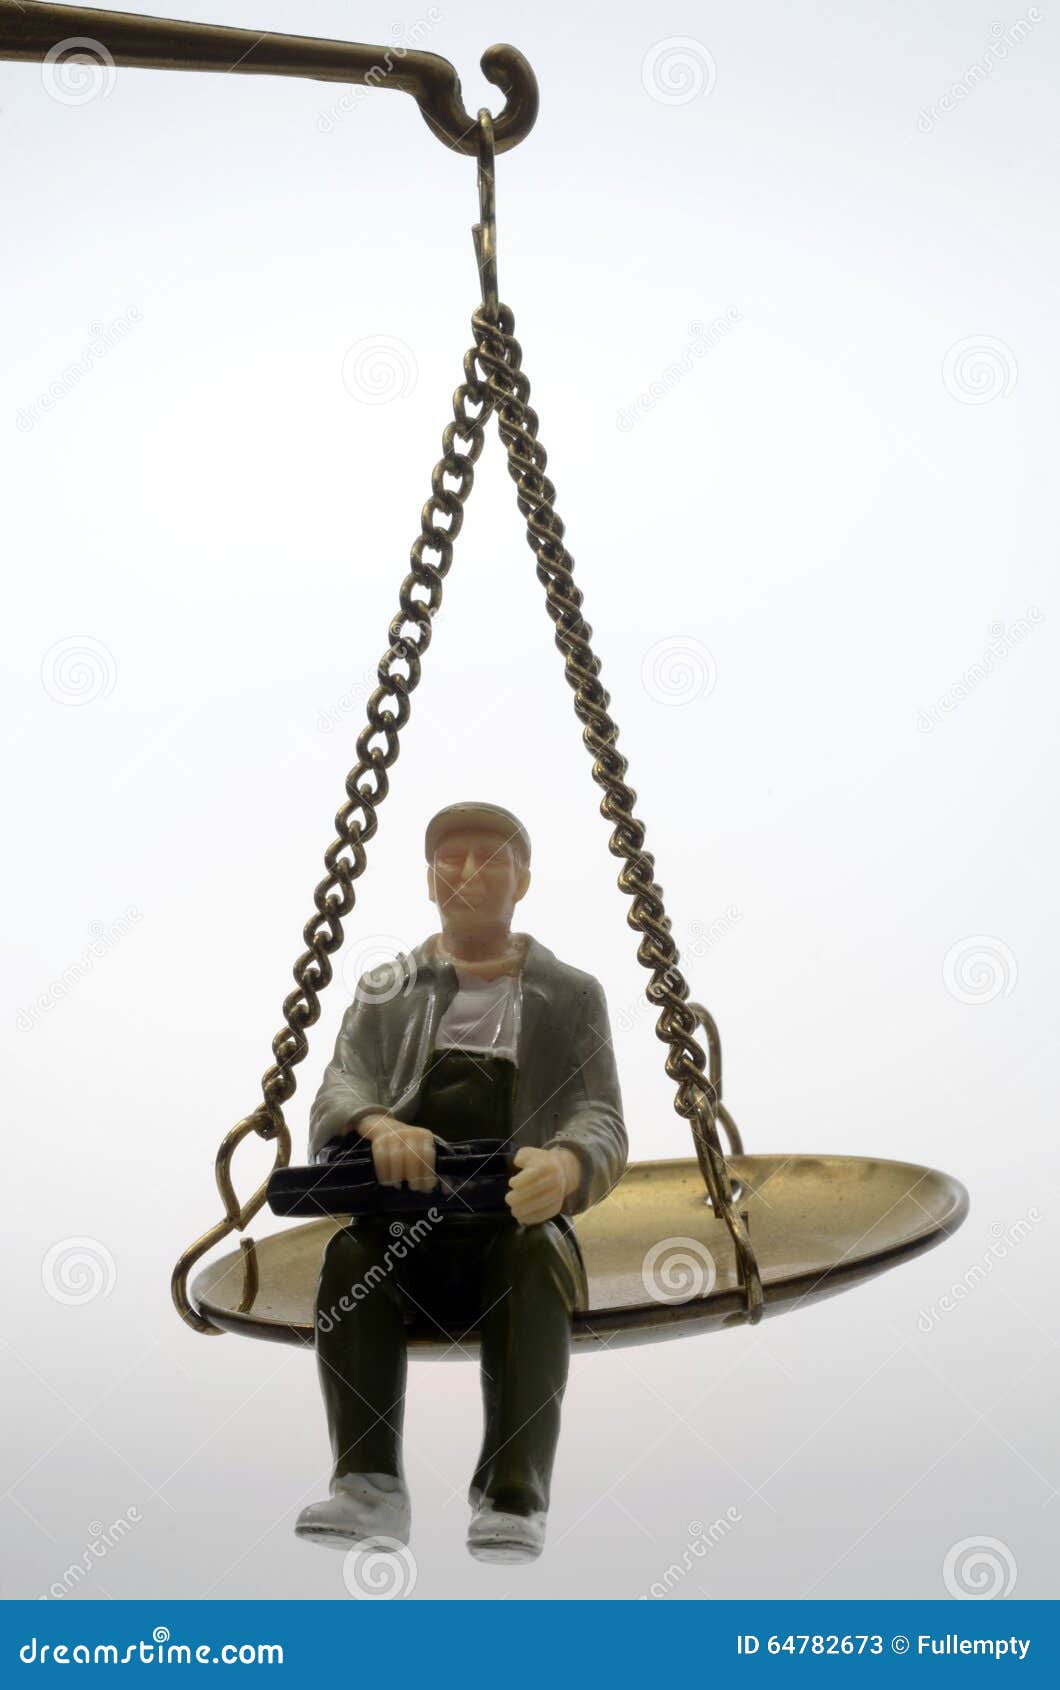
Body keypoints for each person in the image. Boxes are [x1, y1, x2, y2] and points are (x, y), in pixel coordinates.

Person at [296, 801, 627, 1563]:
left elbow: (599, 1114)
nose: (468, 875)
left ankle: (514, 1491)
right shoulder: (388, 988)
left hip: (508, 1224)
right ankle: (369, 1483)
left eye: (490, 858)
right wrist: (380, 1126)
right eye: (450, 859)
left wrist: (567, 1164)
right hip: (404, 1230)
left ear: (525, 880)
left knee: (535, 1253)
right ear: (427, 879)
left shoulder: (569, 996)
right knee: (352, 1259)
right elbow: (337, 1089)